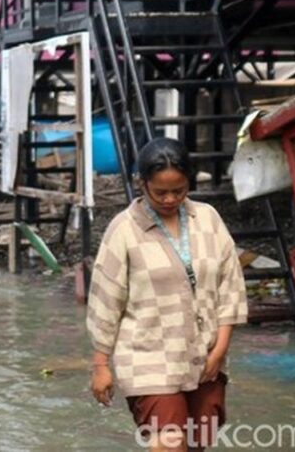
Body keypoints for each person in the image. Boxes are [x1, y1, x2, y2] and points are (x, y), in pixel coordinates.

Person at [87, 137, 247, 452]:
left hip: (204, 355)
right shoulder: (124, 230)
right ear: (142, 184)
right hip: (147, 358)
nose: (170, 199)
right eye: (160, 192)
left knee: (197, 444)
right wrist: (100, 365)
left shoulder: (208, 219)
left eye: (179, 190)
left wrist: (220, 348)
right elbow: (105, 302)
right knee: (169, 444)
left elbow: (230, 285)